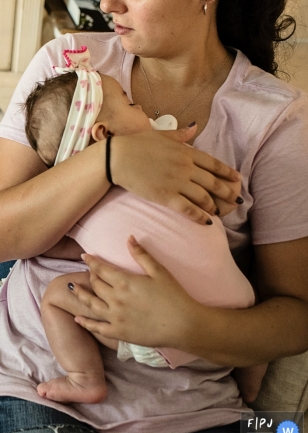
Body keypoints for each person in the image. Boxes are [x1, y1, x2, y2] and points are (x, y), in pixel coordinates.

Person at [0, 0, 308, 433]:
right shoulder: (71, 65)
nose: (108, 4)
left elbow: (296, 316)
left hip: (206, 411)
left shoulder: (276, 118)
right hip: (37, 390)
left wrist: (186, 325)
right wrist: (109, 162)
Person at [23, 49, 264, 406]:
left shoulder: (78, 206)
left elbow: (47, 244)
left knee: (58, 294)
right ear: (103, 134)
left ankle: (84, 378)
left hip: (148, 331)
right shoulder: (176, 170)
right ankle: (251, 386)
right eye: (129, 104)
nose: (140, 107)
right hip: (239, 312)